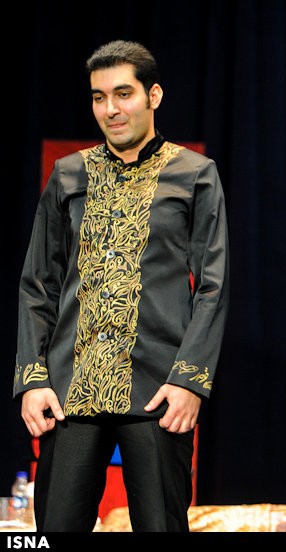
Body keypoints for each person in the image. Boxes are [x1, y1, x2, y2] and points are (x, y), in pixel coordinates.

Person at [14, 40, 230, 532]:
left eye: (123, 94)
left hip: (157, 391)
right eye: (99, 97)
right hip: (70, 391)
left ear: (154, 95)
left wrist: (190, 381)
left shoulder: (194, 174)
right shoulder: (68, 173)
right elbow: (37, 284)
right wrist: (33, 379)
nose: (110, 109)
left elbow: (213, 286)